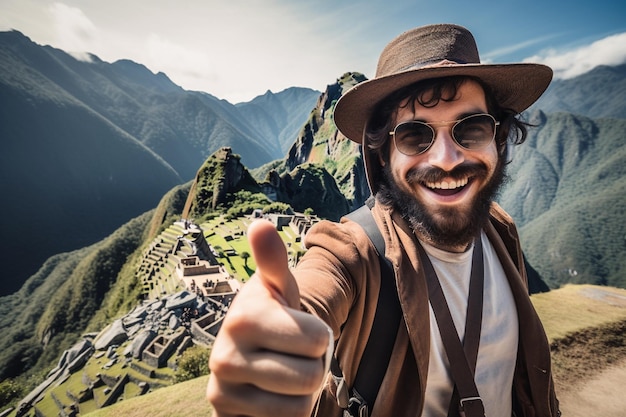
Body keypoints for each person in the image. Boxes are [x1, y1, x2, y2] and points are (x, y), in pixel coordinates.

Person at [206, 23, 560, 417]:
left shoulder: (501, 230)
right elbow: (315, 290)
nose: (446, 159)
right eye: (413, 136)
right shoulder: (354, 254)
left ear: (498, 137)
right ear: (382, 156)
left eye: (471, 129)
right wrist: (270, 341)